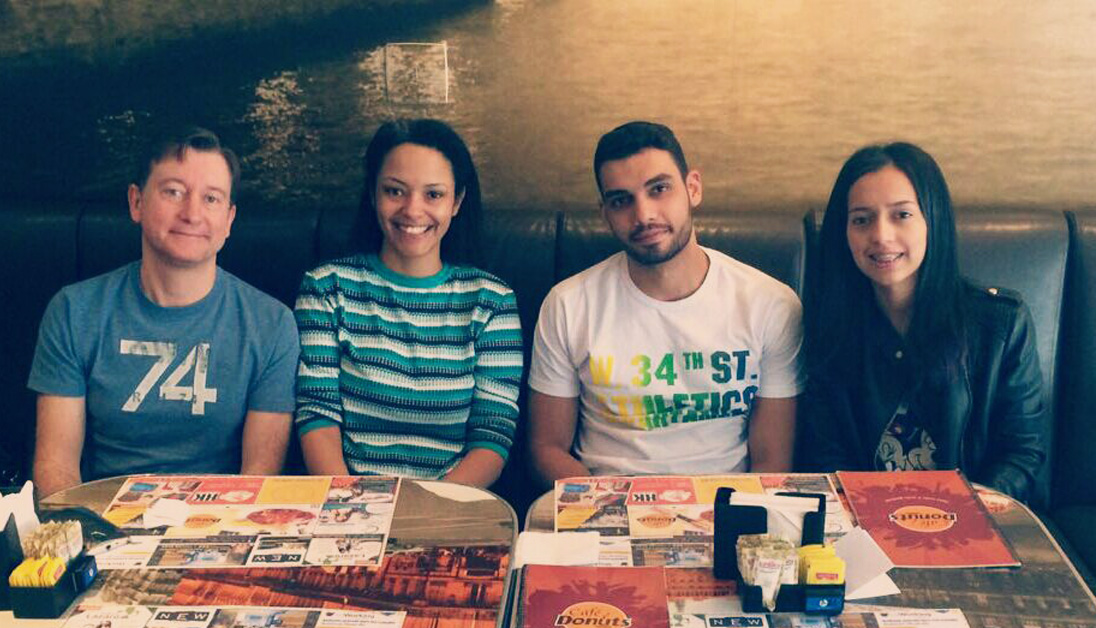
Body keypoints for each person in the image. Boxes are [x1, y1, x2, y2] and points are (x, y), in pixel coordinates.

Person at [29, 127, 300, 498]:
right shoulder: (74, 312)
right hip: (99, 521)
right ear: (136, 202)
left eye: (211, 199)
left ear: (229, 220)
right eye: (173, 192)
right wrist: (81, 528)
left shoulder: (271, 325)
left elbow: (259, 477)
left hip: (220, 520)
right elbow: (56, 467)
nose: (192, 214)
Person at [528, 121, 803, 486]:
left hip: (725, 502)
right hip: (605, 499)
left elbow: (772, 461)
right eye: (621, 200)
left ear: (693, 189)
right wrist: (606, 505)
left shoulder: (770, 304)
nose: (643, 215)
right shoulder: (568, 305)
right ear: (605, 214)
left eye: (659, 189)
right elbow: (547, 448)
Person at [800, 142, 1047, 501]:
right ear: (844, 232)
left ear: (934, 220)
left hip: (978, 518)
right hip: (864, 522)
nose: (881, 235)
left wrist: (965, 514)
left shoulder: (1001, 324)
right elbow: (825, 457)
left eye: (901, 215)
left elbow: (1021, 454)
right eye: (861, 219)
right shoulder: (829, 327)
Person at [294, 118, 522, 487]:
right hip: (348, 499)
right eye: (395, 191)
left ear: (457, 202)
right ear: (373, 195)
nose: (413, 211)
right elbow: (317, 414)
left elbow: (492, 434)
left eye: (433, 195)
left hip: (453, 503)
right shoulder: (326, 288)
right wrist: (351, 504)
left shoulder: (491, 301)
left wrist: (433, 507)